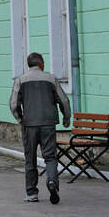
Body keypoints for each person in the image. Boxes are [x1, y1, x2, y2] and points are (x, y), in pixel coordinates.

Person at [9, 52, 72, 204]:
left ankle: (32, 193)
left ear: (28, 65)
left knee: (30, 159)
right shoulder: (51, 79)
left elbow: (13, 104)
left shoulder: (20, 80)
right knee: (50, 157)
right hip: (48, 124)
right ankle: (52, 181)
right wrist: (66, 117)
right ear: (41, 64)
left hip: (29, 125)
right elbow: (64, 100)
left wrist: (20, 119)